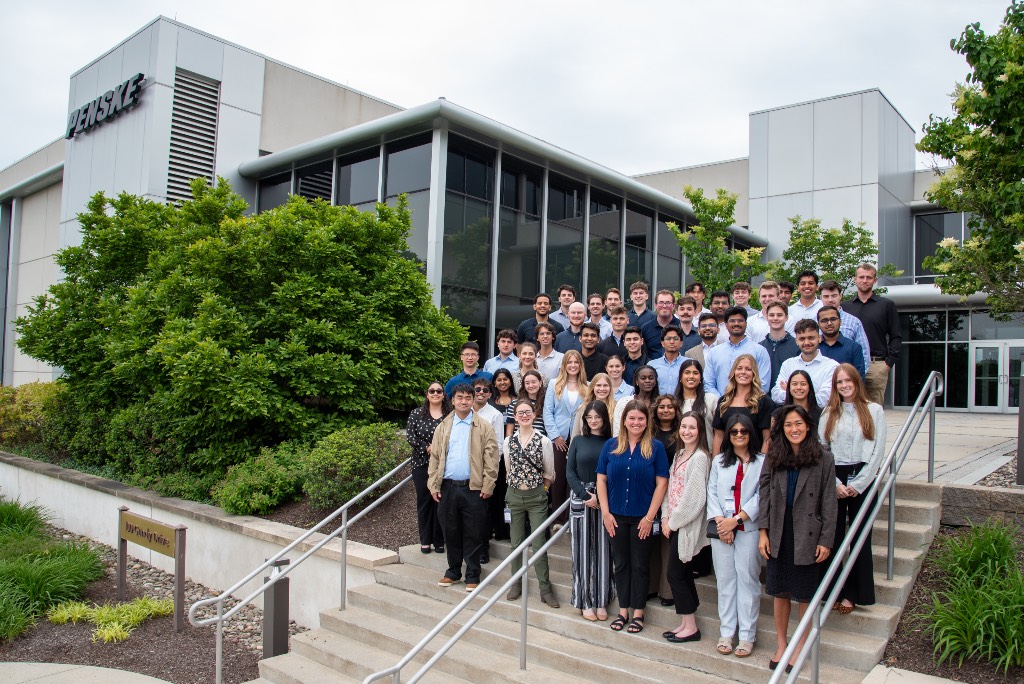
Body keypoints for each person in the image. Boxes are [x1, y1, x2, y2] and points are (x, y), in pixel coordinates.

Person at [758, 405, 838, 673]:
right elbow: (765, 494)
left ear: (808, 426)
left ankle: (801, 644)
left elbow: (829, 500)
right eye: (789, 424)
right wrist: (763, 531)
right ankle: (782, 644)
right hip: (779, 531)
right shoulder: (774, 455)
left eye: (799, 424)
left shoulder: (823, 457)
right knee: (779, 591)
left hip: (808, 533)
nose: (794, 429)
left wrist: (826, 540)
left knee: (804, 593)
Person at [597, 399, 669, 634]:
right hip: (615, 516)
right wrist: (606, 513)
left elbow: (662, 484)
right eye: (632, 418)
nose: (636, 422)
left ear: (646, 421)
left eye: (640, 418)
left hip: (642, 518)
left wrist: (649, 518)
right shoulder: (610, 445)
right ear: (624, 421)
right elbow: (601, 480)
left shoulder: (655, 447)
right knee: (621, 564)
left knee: (640, 565)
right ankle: (623, 610)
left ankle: (638, 612)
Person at [819, 364, 886, 615]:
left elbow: (878, 451)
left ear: (857, 382)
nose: (844, 385)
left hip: (863, 477)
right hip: (834, 477)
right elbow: (822, 448)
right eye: (839, 382)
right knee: (833, 537)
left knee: (859, 538)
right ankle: (834, 590)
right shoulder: (829, 412)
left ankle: (856, 594)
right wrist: (836, 483)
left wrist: (858, 485)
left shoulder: (874, 411)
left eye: (848, 381)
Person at [428, 384, 500, 592]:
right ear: (453, 400)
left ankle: (472, 574)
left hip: (474, 489)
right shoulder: (443, 426)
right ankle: (453, 571)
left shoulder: (483, 426)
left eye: (468, 397)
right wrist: (433, 484)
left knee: (474, 532)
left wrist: (488, 484)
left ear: (473, 400)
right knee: (450, 531)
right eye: (460, 397)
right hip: (448, 488)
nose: (464, 401)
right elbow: (435, 458)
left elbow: (492, 458)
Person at [707, 413, 764, 658]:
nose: (739, 435)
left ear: (751, 434)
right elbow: (711, 492)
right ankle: (727, 632)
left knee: (748, 581)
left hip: (747, 529)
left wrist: (736, 520)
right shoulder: (719, 461)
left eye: (744, 431)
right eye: (734, 432)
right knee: (726, 582)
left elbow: (762, 495)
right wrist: (722, 523)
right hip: (722, 529)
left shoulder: (762, 462)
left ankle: (747, 636)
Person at [660, 411, 711, 644]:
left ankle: (691, 627)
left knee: (676, 574)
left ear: (700, 432)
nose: (687, 431)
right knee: (681, 574)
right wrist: (665, 516)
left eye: (692, 428)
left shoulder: (700, 457)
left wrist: (673, 521)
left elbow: (695, 498)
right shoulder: (680, 454)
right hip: (673, 522)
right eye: (684, 427)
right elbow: (671, 489)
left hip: (686, 526)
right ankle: (685, 622)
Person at [503, 399, 560, 607]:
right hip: (515, 497)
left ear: (534, 414)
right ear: (515, 417)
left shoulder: (543, 440)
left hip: (537, 497)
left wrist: (542, 491)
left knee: (538, 543)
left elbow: (549, 472)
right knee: (516, 543)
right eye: (520, 413)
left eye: (528, 412)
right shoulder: (508, 441)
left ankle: (545, 588)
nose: (524, 415)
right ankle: (515, 583)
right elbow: (508, 469)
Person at [566, 401, 615, 621]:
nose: (593, 421)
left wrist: (601, 497)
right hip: (581, 498)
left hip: (605, 498)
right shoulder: (577, 441)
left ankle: (601, 600)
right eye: (589, 417)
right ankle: (584, 600)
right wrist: (586, 496)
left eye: (597, 417)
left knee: (604, 551)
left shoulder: (612, 443)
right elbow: (570, 472)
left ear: (604, 418)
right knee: (583, 551)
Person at [841, 264, 901, 406]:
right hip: (850, 365)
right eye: (861, 277)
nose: (865, 280)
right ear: (855, 279)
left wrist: (887, 364)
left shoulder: (886, 305)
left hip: (876, 365)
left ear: (875, 281)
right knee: (849, 407)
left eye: (869, 277)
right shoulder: (845, 307)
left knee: (874, 410)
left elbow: (896, 336)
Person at [406, 382, 451, 554]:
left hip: (443, 466)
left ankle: (439, 540)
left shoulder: (449, 416)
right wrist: (427, 447)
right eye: (432, 391)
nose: (435, 393)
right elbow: (410, 435)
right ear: (427, 394)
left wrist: (438, 448)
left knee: (439, 501)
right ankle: (425, 540)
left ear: (443, 395)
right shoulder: (416, 414)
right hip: (421, 463)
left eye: (439, 391)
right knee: (424, 501)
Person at [543, 350, 588, 520]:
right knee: (558, 477)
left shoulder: (588, 386)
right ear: (564, 365)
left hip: (579, 437)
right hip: (559, 437)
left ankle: (573, 517)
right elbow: (547, 411)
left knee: (575, 477)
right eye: (569, 362)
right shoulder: (554, 384)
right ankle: (558, 519)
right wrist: (555, 436)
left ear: (580, 365)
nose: (573, 365)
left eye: (576, 362)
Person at [651, 394, 683, 606]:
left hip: (674, 491)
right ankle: (651, 587)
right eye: (661, 407)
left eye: (669, 407)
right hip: (651, 490)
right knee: (650, 541)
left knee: (667, 541)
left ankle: (667, 592)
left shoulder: (681, 433)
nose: (665, 410)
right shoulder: (649, 433)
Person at [712, 354, 775, 455]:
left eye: (748, 369)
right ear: (734, 372)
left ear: (754, 373)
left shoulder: (764, 402)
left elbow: (767, 438)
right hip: (727, 461)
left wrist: (762, 467)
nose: (743, 372)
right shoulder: (724, 401)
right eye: (739, 368)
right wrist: (715, 464)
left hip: (754, 460)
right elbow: (718, 436)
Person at [473, 377, 508, 560]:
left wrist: (491, 468)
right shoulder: (463, 411)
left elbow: (499, 445)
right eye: (477, 389)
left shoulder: (495, 414)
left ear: (490, 393)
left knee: (483, 510)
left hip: (486, 467)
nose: (480, 393)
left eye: (485, 390)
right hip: (464, 468)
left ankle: (483, 548)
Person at [703, 307, 772, 396]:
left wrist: (743, 402)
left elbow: (763, 385)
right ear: (726, 325)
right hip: (720, 405)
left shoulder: (759, 351)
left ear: (746, 324)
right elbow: (708, 384)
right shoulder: (714, 352)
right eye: (732, 321)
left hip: (751, 405)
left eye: (740, 320)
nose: (736, 323)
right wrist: (722, 402)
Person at [771, 319, 839, 408]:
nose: (806, 342)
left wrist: (790, 391)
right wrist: (812, 393)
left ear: (819, 338)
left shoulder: (832, 366)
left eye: (811, 338)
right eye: (802, 339)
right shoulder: (788, 364)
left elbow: (825, 399)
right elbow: (776, 395)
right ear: (796, 341)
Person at [819, 280, 871, 374]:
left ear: (840, 296)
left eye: (834, 295)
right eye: (826, 296)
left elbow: (864, 353)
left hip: (846, 379)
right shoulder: (814, 322)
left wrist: (857, 379)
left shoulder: (854, 322)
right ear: (820, 298)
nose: (830, 299)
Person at [758, 301, 800, 389]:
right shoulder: (759, 347)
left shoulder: (796, 346)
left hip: (787, 397)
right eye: (772, 315)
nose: (775, 318)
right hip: (763, 398)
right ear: (766, 317)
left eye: (779, 315)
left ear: (786, 318)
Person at [817, 306, 866, 379]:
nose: (829, 323)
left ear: (840, 322)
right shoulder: (814, 347)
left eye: (833, 319)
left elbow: (859, 378)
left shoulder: (854, 347)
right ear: (818, 324)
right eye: (824, 320)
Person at [673, 358, 717, 439]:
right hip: (680, 450)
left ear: (701, 378)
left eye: (695, 373)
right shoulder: (673, 402)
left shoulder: (711, 399)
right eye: (687, 373)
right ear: (680, 377)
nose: (691, 376)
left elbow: (718, 432)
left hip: (708, 450)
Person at [613, 365, 659, 435]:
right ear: (637, 381)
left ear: (655, 381)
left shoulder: (660, 404)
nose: (647, 381)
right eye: (643, 378)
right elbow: (617, 430)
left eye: (651, 378)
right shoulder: (624, 402)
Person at [570, 372, 615, 438]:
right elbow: (575, 434)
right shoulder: (582, 408)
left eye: (605, 385)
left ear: (610, 388)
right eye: (598, 385)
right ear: (593, 387)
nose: (602, 389)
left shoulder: (617, 407)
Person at [641, 290, 682, 360]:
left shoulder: (681, 326)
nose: (664, 306)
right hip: (652, 368)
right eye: (661, 302)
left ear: (673, 306)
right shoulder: (645, 328)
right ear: (656, 305)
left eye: (668, 303)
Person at [505, 370, 547, 438]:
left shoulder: (546, 403)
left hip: (540, 442)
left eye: (533, 382)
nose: (531, 385)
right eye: (527, 383)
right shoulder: (515, 403)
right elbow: (509, 431)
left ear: (540, 383)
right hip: (518, 443)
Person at [649, 326, 686, 396]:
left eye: (675, 339)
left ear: (681, 343)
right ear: (662, 343)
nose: (672, 342)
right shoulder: (652, 365)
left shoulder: (688, 364)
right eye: (668, 339)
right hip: (658, 405)